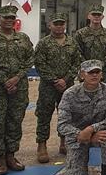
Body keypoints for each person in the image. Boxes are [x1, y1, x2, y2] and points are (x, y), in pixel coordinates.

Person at [0, 4, 34, 175]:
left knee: (14, 122)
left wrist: (17, 78)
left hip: (18, 88)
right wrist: (5, 81)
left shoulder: (23, 38)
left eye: (12, 18)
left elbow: (29, 59)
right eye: (6, 18)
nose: (10, 20)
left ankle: (11, 156)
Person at [57, 59, 106, 175]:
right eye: (90, 72)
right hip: (77, 138)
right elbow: (62, 125)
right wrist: (81, 134)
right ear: (82, 75)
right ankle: (77, 168)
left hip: (98, 134)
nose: (94, 75)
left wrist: (91, 129)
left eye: (97, 72)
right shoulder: (70, 94)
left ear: (102, 74)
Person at [33, 13, 82, 163]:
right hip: (48, 86)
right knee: (44, 115)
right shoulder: (43, 43)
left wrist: (66, 79)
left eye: (62, 24)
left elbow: (76, 62)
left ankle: (64, 142)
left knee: (66, 115)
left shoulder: (72, 43)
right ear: (50, 25)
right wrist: (55, 80)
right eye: (56, 24)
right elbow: (40, 64)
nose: (59, 26)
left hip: (67, 87)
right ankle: (42, 145)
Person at [73, 5, 106, 90]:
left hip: (101, 71)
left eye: (98, 15)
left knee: (103, 95)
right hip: (86, 72)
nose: (96, 17)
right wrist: (87, 65)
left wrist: (101, 63)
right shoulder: (80, 33)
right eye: (94, 14)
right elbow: (77, 52)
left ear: (102, 17)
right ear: (89, 16)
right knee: (85, 95)